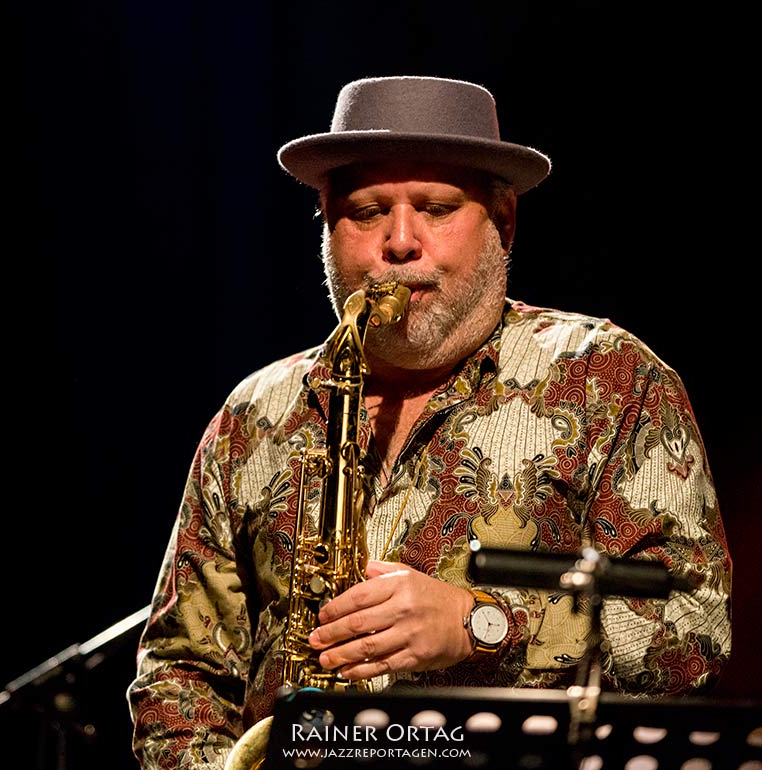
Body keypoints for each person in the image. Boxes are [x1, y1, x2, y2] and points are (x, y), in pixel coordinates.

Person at [127, 76, 732, 769]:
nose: (400, 242)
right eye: (366, 211)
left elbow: (695, 631)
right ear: (325, 221)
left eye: (438, 208)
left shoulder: (614, 381)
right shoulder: (254, 415)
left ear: (503, 221)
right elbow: (179, 671)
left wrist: (479, 624)